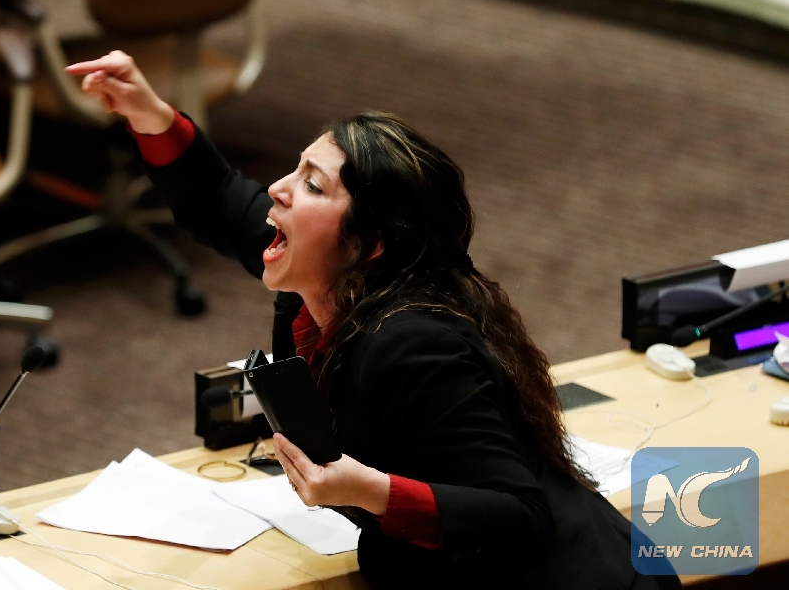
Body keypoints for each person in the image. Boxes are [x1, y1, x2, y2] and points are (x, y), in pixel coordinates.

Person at [65, 51, 681, 590]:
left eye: (312, 185)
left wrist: (369, 491)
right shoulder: (324, 280)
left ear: (369, 244)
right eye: (296, 170)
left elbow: (519, 517)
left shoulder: (413, 343)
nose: (278, 189)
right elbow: (218, 201)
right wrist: (147, 112)